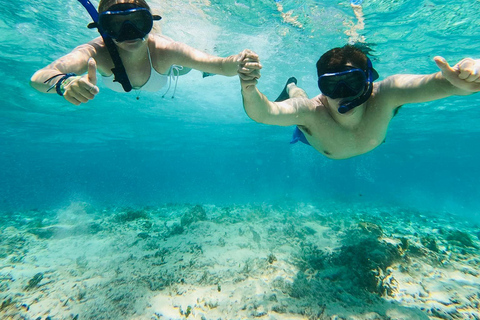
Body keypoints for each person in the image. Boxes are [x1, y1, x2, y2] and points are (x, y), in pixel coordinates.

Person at [237, 45, 480, 159]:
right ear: (322, 87)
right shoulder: (312, 111)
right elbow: (264, 113)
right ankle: (291, 86)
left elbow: (434, 83)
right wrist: (249, 89)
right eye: (331, 86)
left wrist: (460, 79)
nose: (343, 94)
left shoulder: (387, 94)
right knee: (300, 100)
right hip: (311, 134)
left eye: (352, 82)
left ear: (368, 80)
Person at [30, 0, 259, 105]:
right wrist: (63, 84)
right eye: (116, 25)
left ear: (150, 22)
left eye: (138, 22)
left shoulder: (165, 50)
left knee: (192, 66)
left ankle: (199, 62)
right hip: (154, 74)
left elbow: (220, 66)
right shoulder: (96, 51)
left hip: (170, 70)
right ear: (103, 29)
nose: (130, 33)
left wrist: (238, 63)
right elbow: (39, 78)